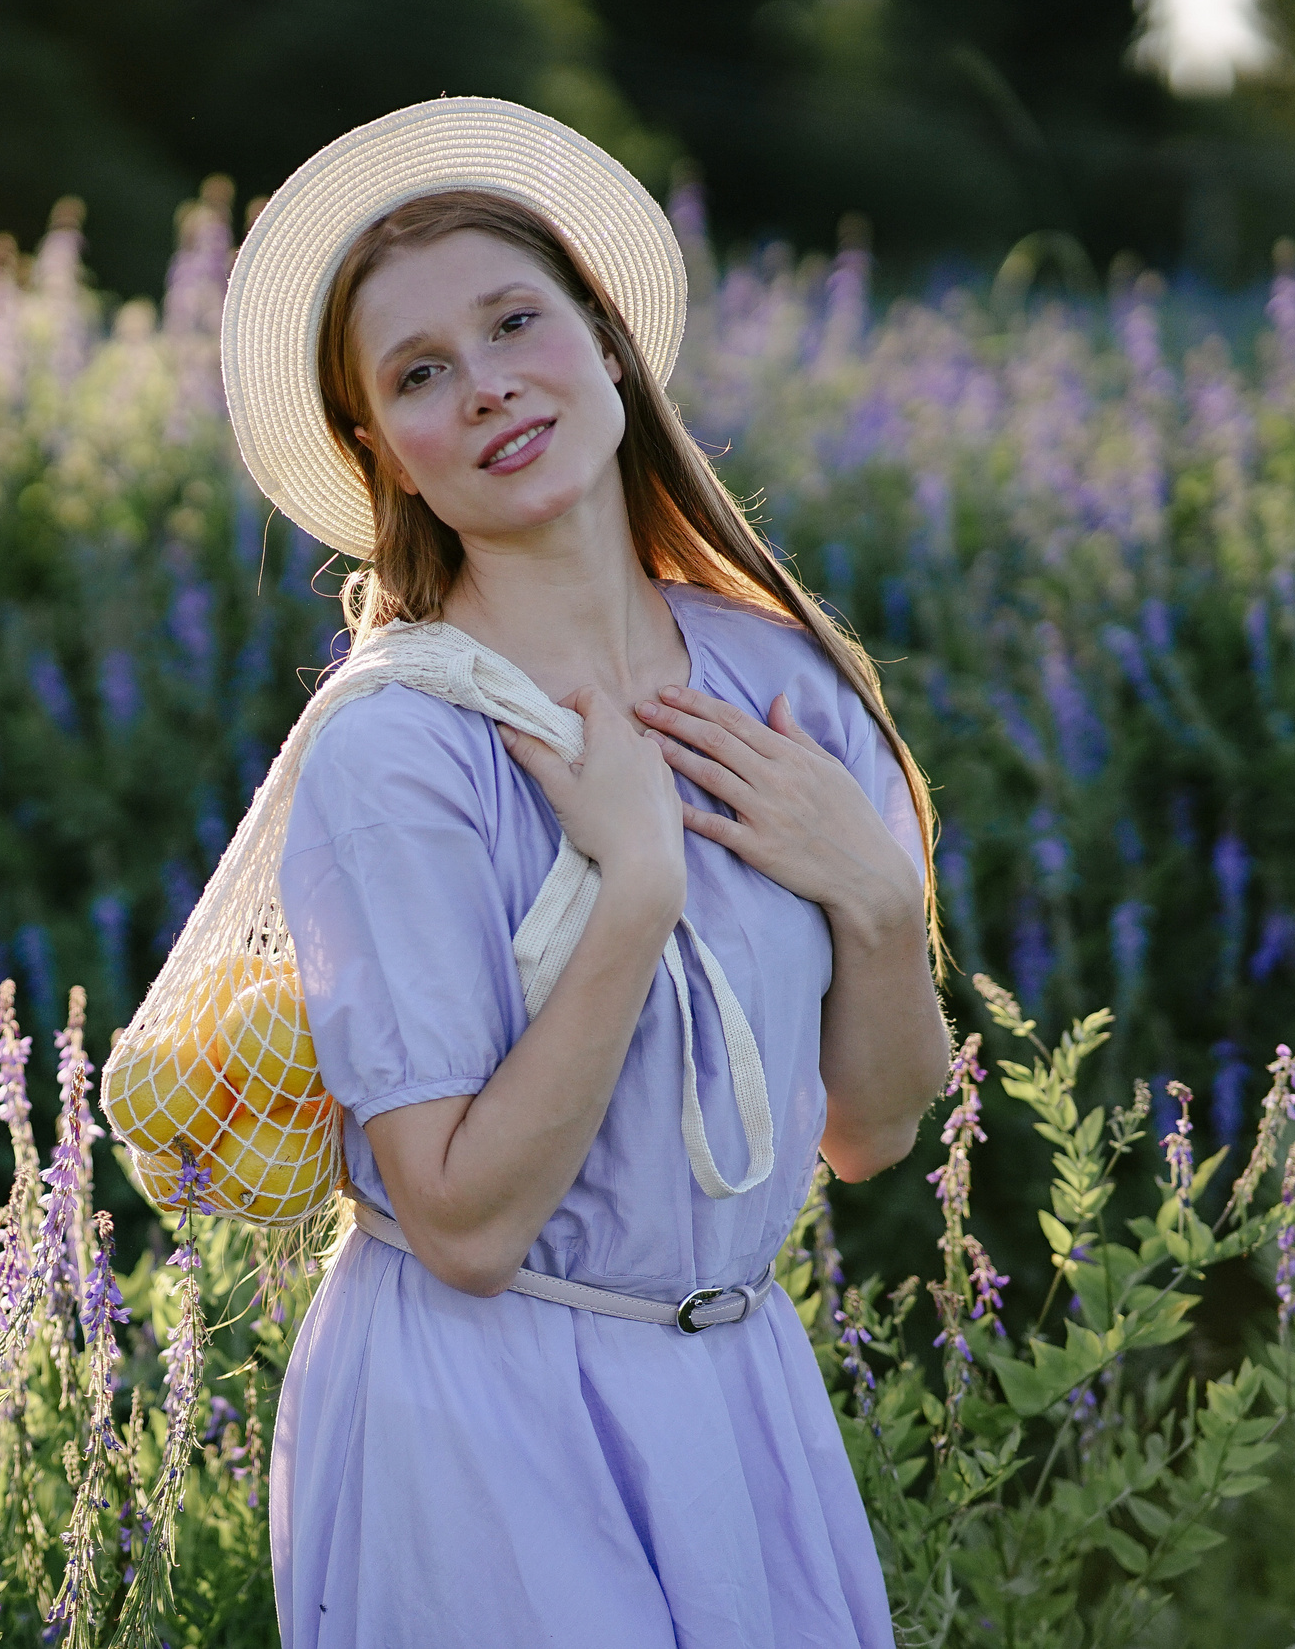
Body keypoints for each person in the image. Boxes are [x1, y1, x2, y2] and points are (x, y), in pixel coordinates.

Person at [216, 98, 950, 1647]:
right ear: (384, 455)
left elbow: (873, 1131)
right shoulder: (400, 751)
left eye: (514, 323)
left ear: (608, 343)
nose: (486, 388)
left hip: (738, 1393)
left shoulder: (784, 682)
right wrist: (633, 892)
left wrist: (879, 907)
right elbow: (468, 1230)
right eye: (419, 375)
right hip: (485, 1424)